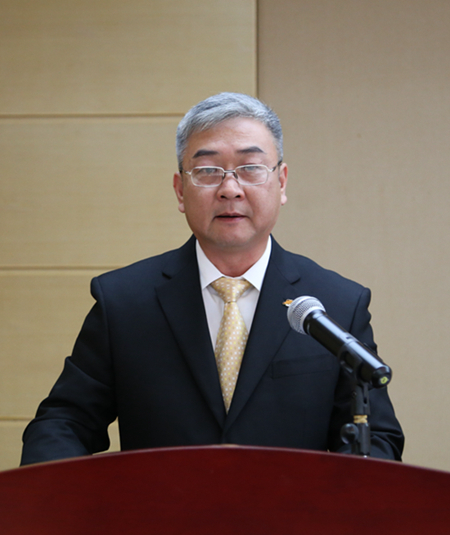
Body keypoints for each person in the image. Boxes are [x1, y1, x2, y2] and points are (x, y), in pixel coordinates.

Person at [21, 93, 404, 465]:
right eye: (207, 171)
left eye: (250, 168)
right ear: (180, 190)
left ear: (282, 182)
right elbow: (64, 422)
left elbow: (376, 437)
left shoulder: (336, 303)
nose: (230, 189)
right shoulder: (123, 301)